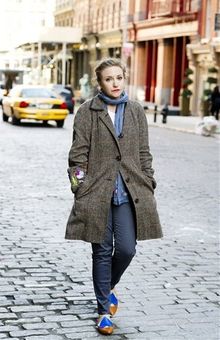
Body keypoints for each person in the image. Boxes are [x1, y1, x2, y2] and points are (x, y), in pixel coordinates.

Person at [65, 58, 163, 335]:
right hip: (97, 193)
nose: (115, 83)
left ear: (124, 78)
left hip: (129, 192)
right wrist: (79, 188)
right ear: (100, 82)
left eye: (119, 77)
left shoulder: (135, 111)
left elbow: (144, 151)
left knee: (127, 249)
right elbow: (77, 157)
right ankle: (103, 311)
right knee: (102, 251)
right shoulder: (87, 111)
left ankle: (107, 288)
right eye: (109, 79)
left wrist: (149, 179)